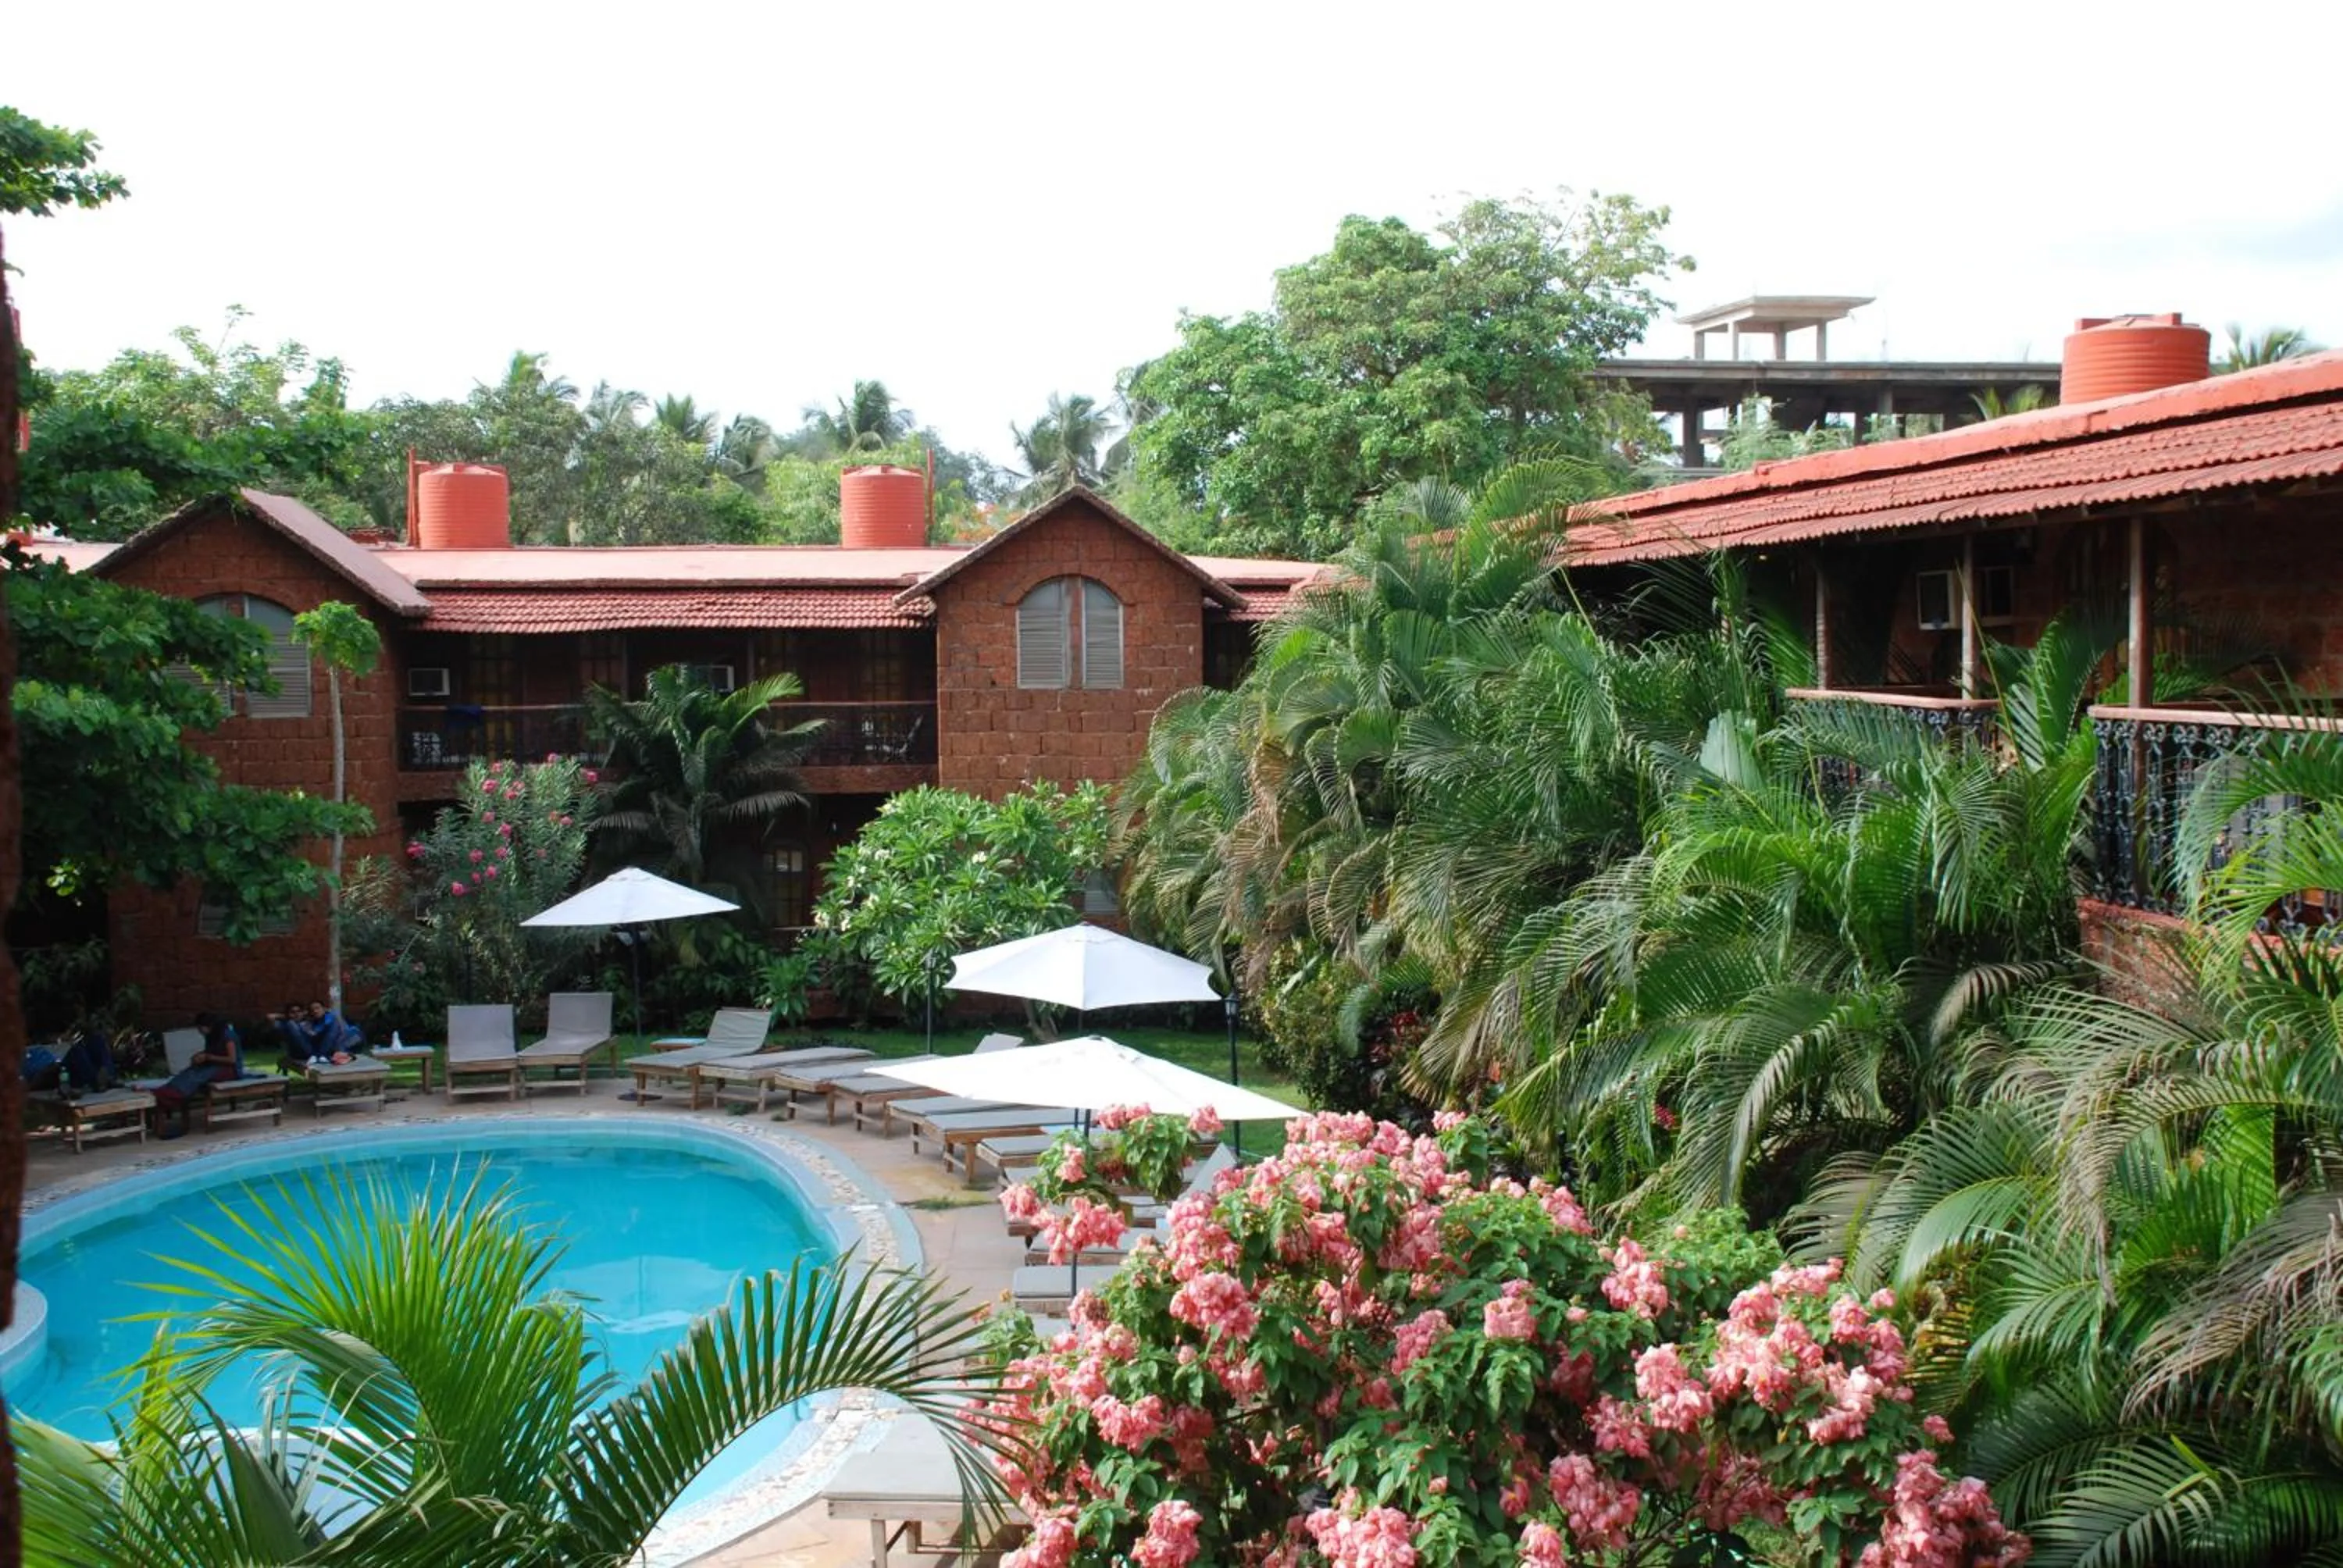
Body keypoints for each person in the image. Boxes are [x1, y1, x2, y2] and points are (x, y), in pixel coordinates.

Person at [152, 1013, 243, 1138]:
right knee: (191, 1070)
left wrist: (208, 1057)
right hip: (215, 1065)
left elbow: (232, 1060)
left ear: (209, 1026)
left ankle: (178, 1094)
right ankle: (169, 1089)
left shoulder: (228, 1035)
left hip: (230, 1070)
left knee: (200, 1075)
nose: (200, 1032)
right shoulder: (211, 1035)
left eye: (200, 1029)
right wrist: (201, 1056)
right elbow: (211, 1053)